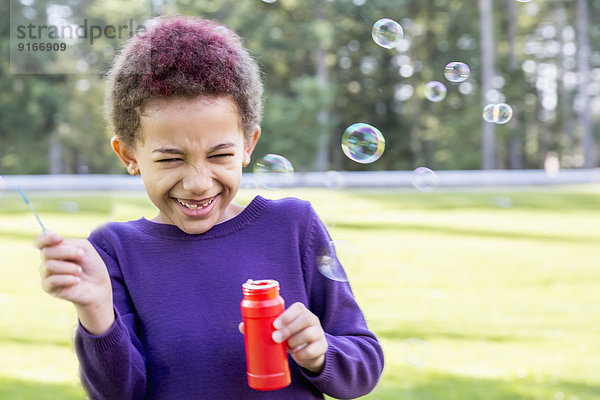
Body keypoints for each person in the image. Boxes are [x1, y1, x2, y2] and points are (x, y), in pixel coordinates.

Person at [35, 15, 384, 399]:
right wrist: (98, 313)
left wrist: (321, 352)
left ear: (248, 145)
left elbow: (363, 364)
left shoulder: (293, 226)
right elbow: (120, 393)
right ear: (129, 154)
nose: (199, 182)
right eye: (170, 159)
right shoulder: (115, 250)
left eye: (220, 154)